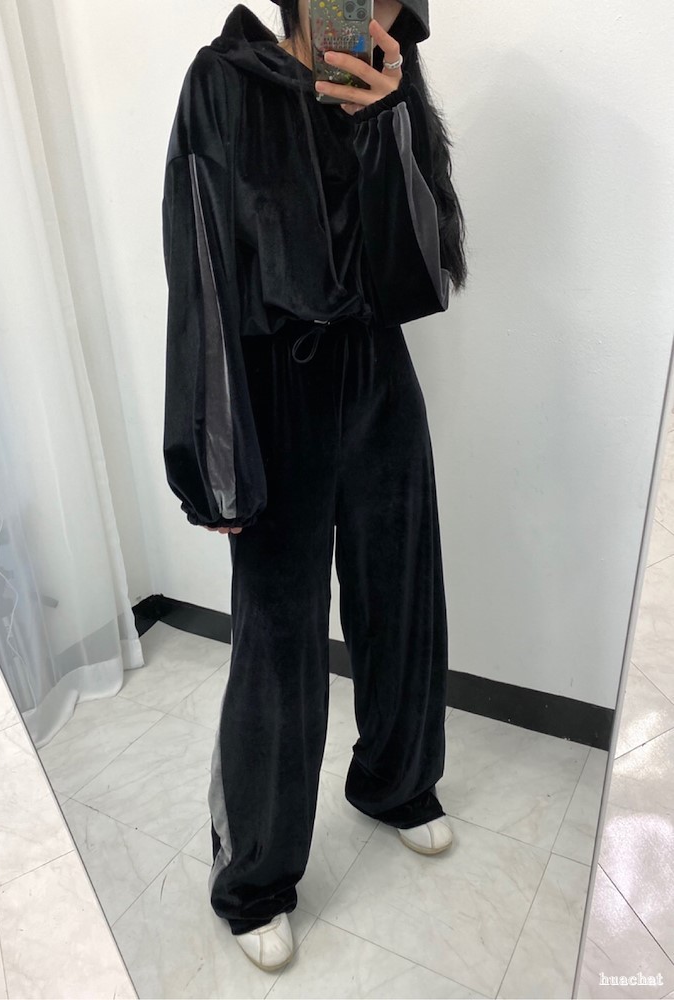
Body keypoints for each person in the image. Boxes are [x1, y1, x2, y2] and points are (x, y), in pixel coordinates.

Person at [161, 0, 468, 973]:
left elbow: (421, 282)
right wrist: (213, 454)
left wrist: (388, 125)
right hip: (274, 388)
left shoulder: (386, 86)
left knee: (401, 596)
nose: (371, 11)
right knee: (279, 637)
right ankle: (255, 875)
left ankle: (396, 782)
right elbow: (200, 267)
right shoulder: (222, 83)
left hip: (379, 376)